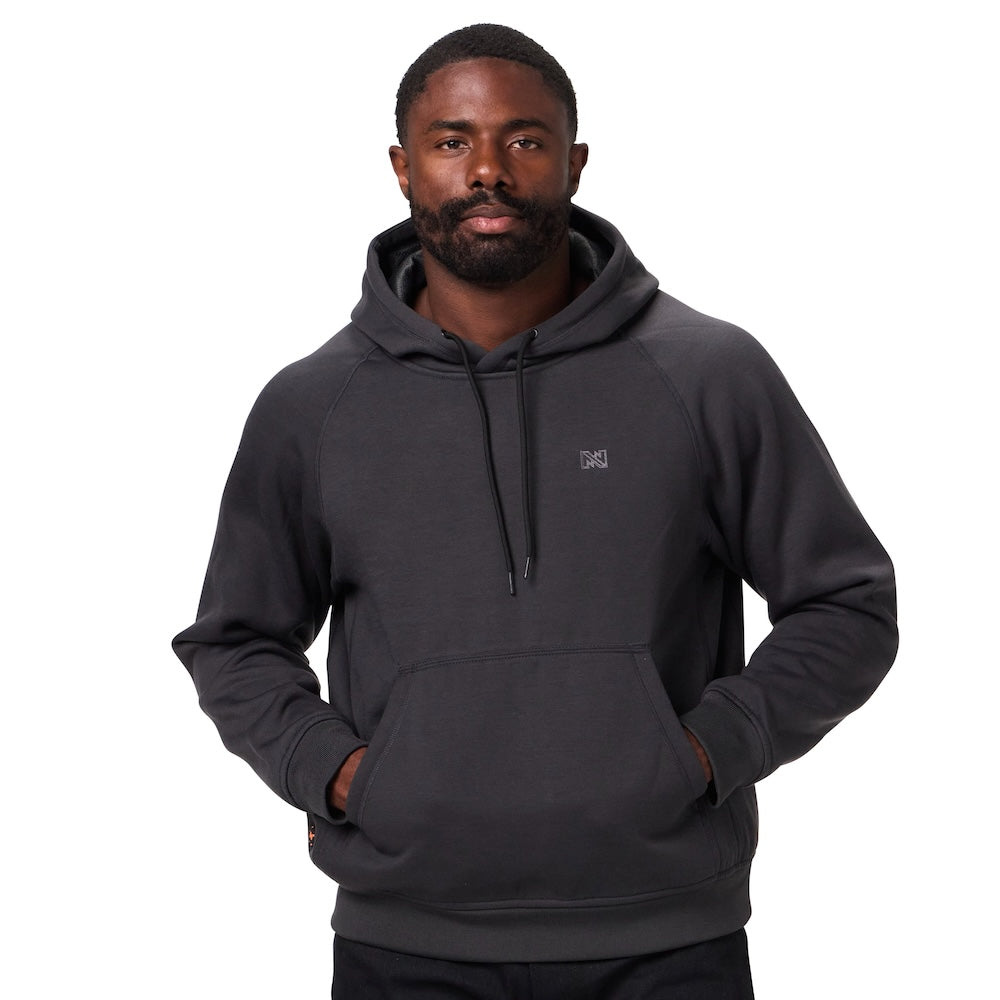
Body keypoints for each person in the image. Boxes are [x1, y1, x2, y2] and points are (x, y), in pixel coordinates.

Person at [173, 23, 898, 999]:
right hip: (406, 943)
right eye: (451, 141)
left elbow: (846, 604)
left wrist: (705, 750)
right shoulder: (313, 406)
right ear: (401, 167)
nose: (487, 171)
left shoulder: (706, 374)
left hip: (668, 939)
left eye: (523, 139)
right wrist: (336, 771)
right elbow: (235, 640)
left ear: (574, 162)